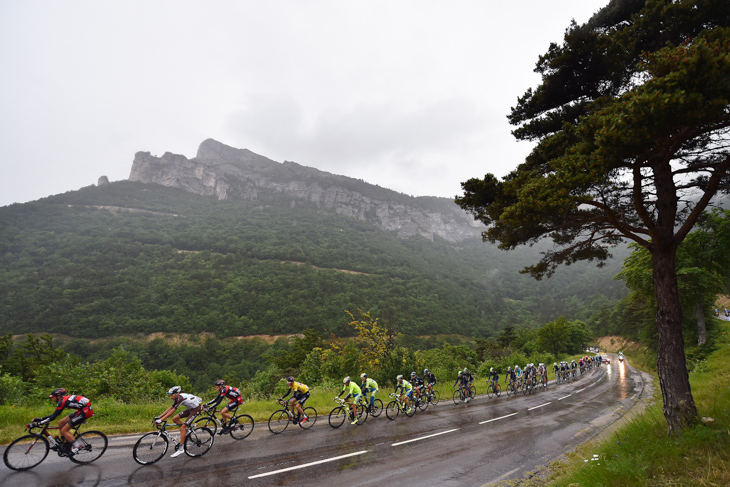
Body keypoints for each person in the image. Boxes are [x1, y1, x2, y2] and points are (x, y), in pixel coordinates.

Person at [31, 388, 94, 456]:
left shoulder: (62, 402)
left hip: (85, 412)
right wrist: (41, 419)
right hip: (82, 410)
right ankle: (63, 443)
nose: (51, 398)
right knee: (60, 423)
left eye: (53, 397)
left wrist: (39, 422)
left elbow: (53, 417)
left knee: (64, 430)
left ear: (58, 396)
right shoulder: (63, 399)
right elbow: (54, 415)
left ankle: (77, 446)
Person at [156, 386, 203, 458]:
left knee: (182, 428)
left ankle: (181, 448)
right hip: (190, 409)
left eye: (171, 395)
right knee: (175, 419)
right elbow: (171, 408)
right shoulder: (177, 398)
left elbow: (172, 411)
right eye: (170, 395)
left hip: (196, 409)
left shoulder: (181, 398)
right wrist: (159, 417)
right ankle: (186, 431)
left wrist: (161, 420)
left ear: (177, 393)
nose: (170, 397)